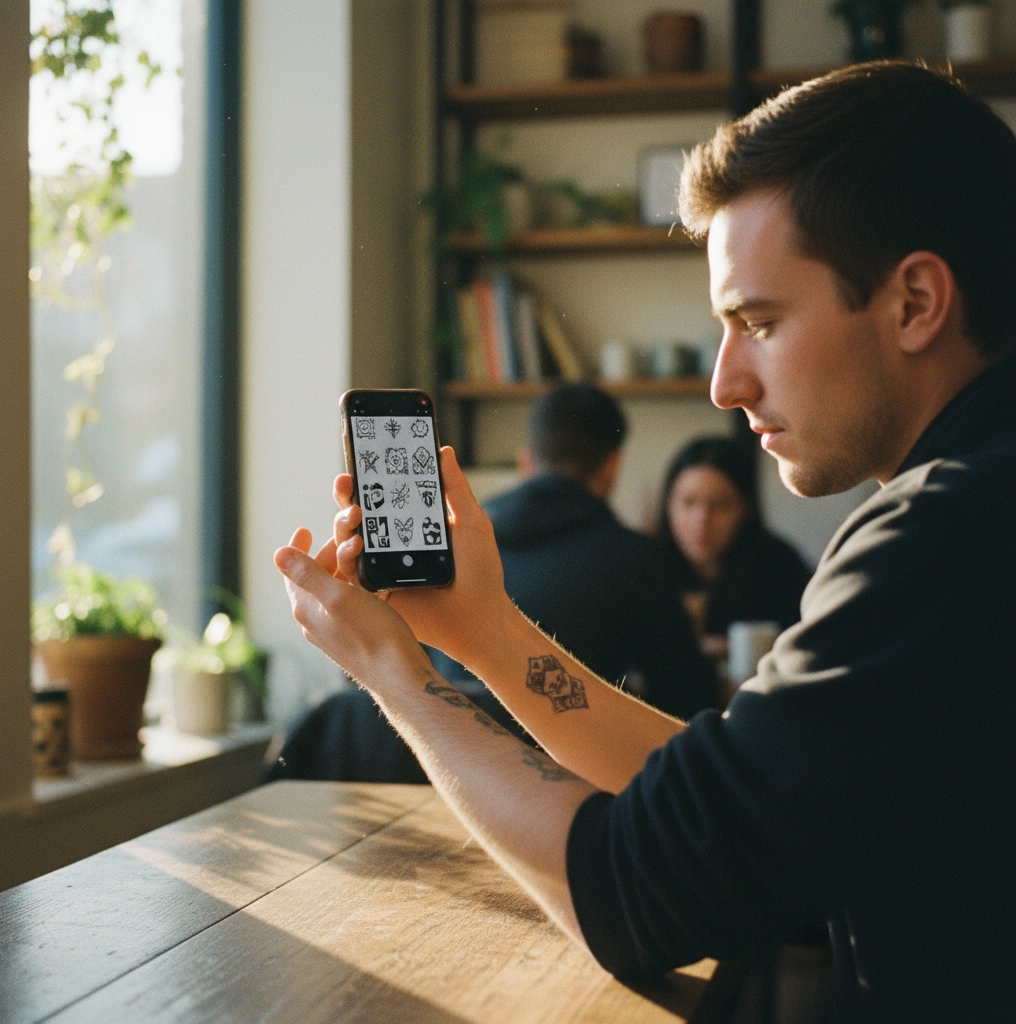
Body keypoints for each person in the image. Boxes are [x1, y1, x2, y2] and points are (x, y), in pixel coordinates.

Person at [275, 62, 1015, 1022]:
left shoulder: (942, 532)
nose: (725, 384)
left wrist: (396, 676)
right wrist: (481, 631)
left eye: (760, 322)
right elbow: (713, 805)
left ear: (915, 301)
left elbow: (632, 894)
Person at [431, 382, 719, 720]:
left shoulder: (456, 539)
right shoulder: (633, 557)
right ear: (612, 464)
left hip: (449, 745)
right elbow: (689, 696)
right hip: (566, 752)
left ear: (526, 461)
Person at [656, 435, 811, 654]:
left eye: (719, 505)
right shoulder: (647, 563)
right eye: (688, 503)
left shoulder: (779, 565)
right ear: (668, 505)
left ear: (745, 508)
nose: (701, 521)